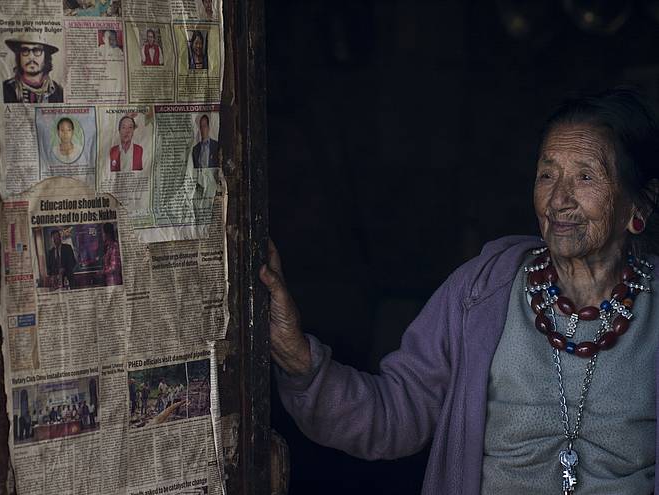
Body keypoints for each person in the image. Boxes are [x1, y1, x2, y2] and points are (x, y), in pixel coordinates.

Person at [261, 88, 659, 494]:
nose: (559, 199)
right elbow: (394, 414)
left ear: (638, 207)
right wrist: (297, 358)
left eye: (585, 176)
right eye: (547, 174)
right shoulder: (484, 290)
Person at [3, 36, 64, 103]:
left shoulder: (58, 92)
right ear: (19, 56)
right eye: (25, 50)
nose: (31, 57)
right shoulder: (5, 89)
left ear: (46, 56)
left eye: (37, 50)